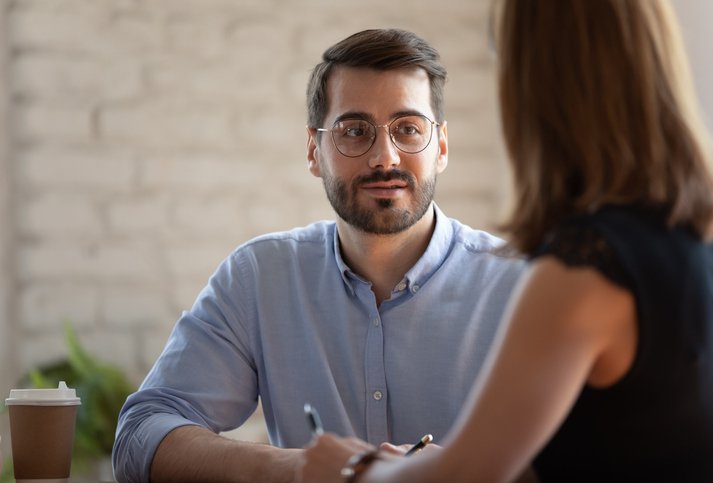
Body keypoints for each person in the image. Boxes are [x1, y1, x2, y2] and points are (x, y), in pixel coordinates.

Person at [297, 1, 713, 482]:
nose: (384, 157)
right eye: (355, 130)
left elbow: (469, 475)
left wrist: (352, 469)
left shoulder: (583, 268)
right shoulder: (702, 232)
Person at [112, 29, 526, 483]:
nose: (384, 157)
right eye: (354, 131)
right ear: (314, 151)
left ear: (441, 146)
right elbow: (140, 435)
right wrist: (295, 468)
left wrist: (459, 472)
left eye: (408, 129)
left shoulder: (520, 285)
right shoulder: (259, 277)